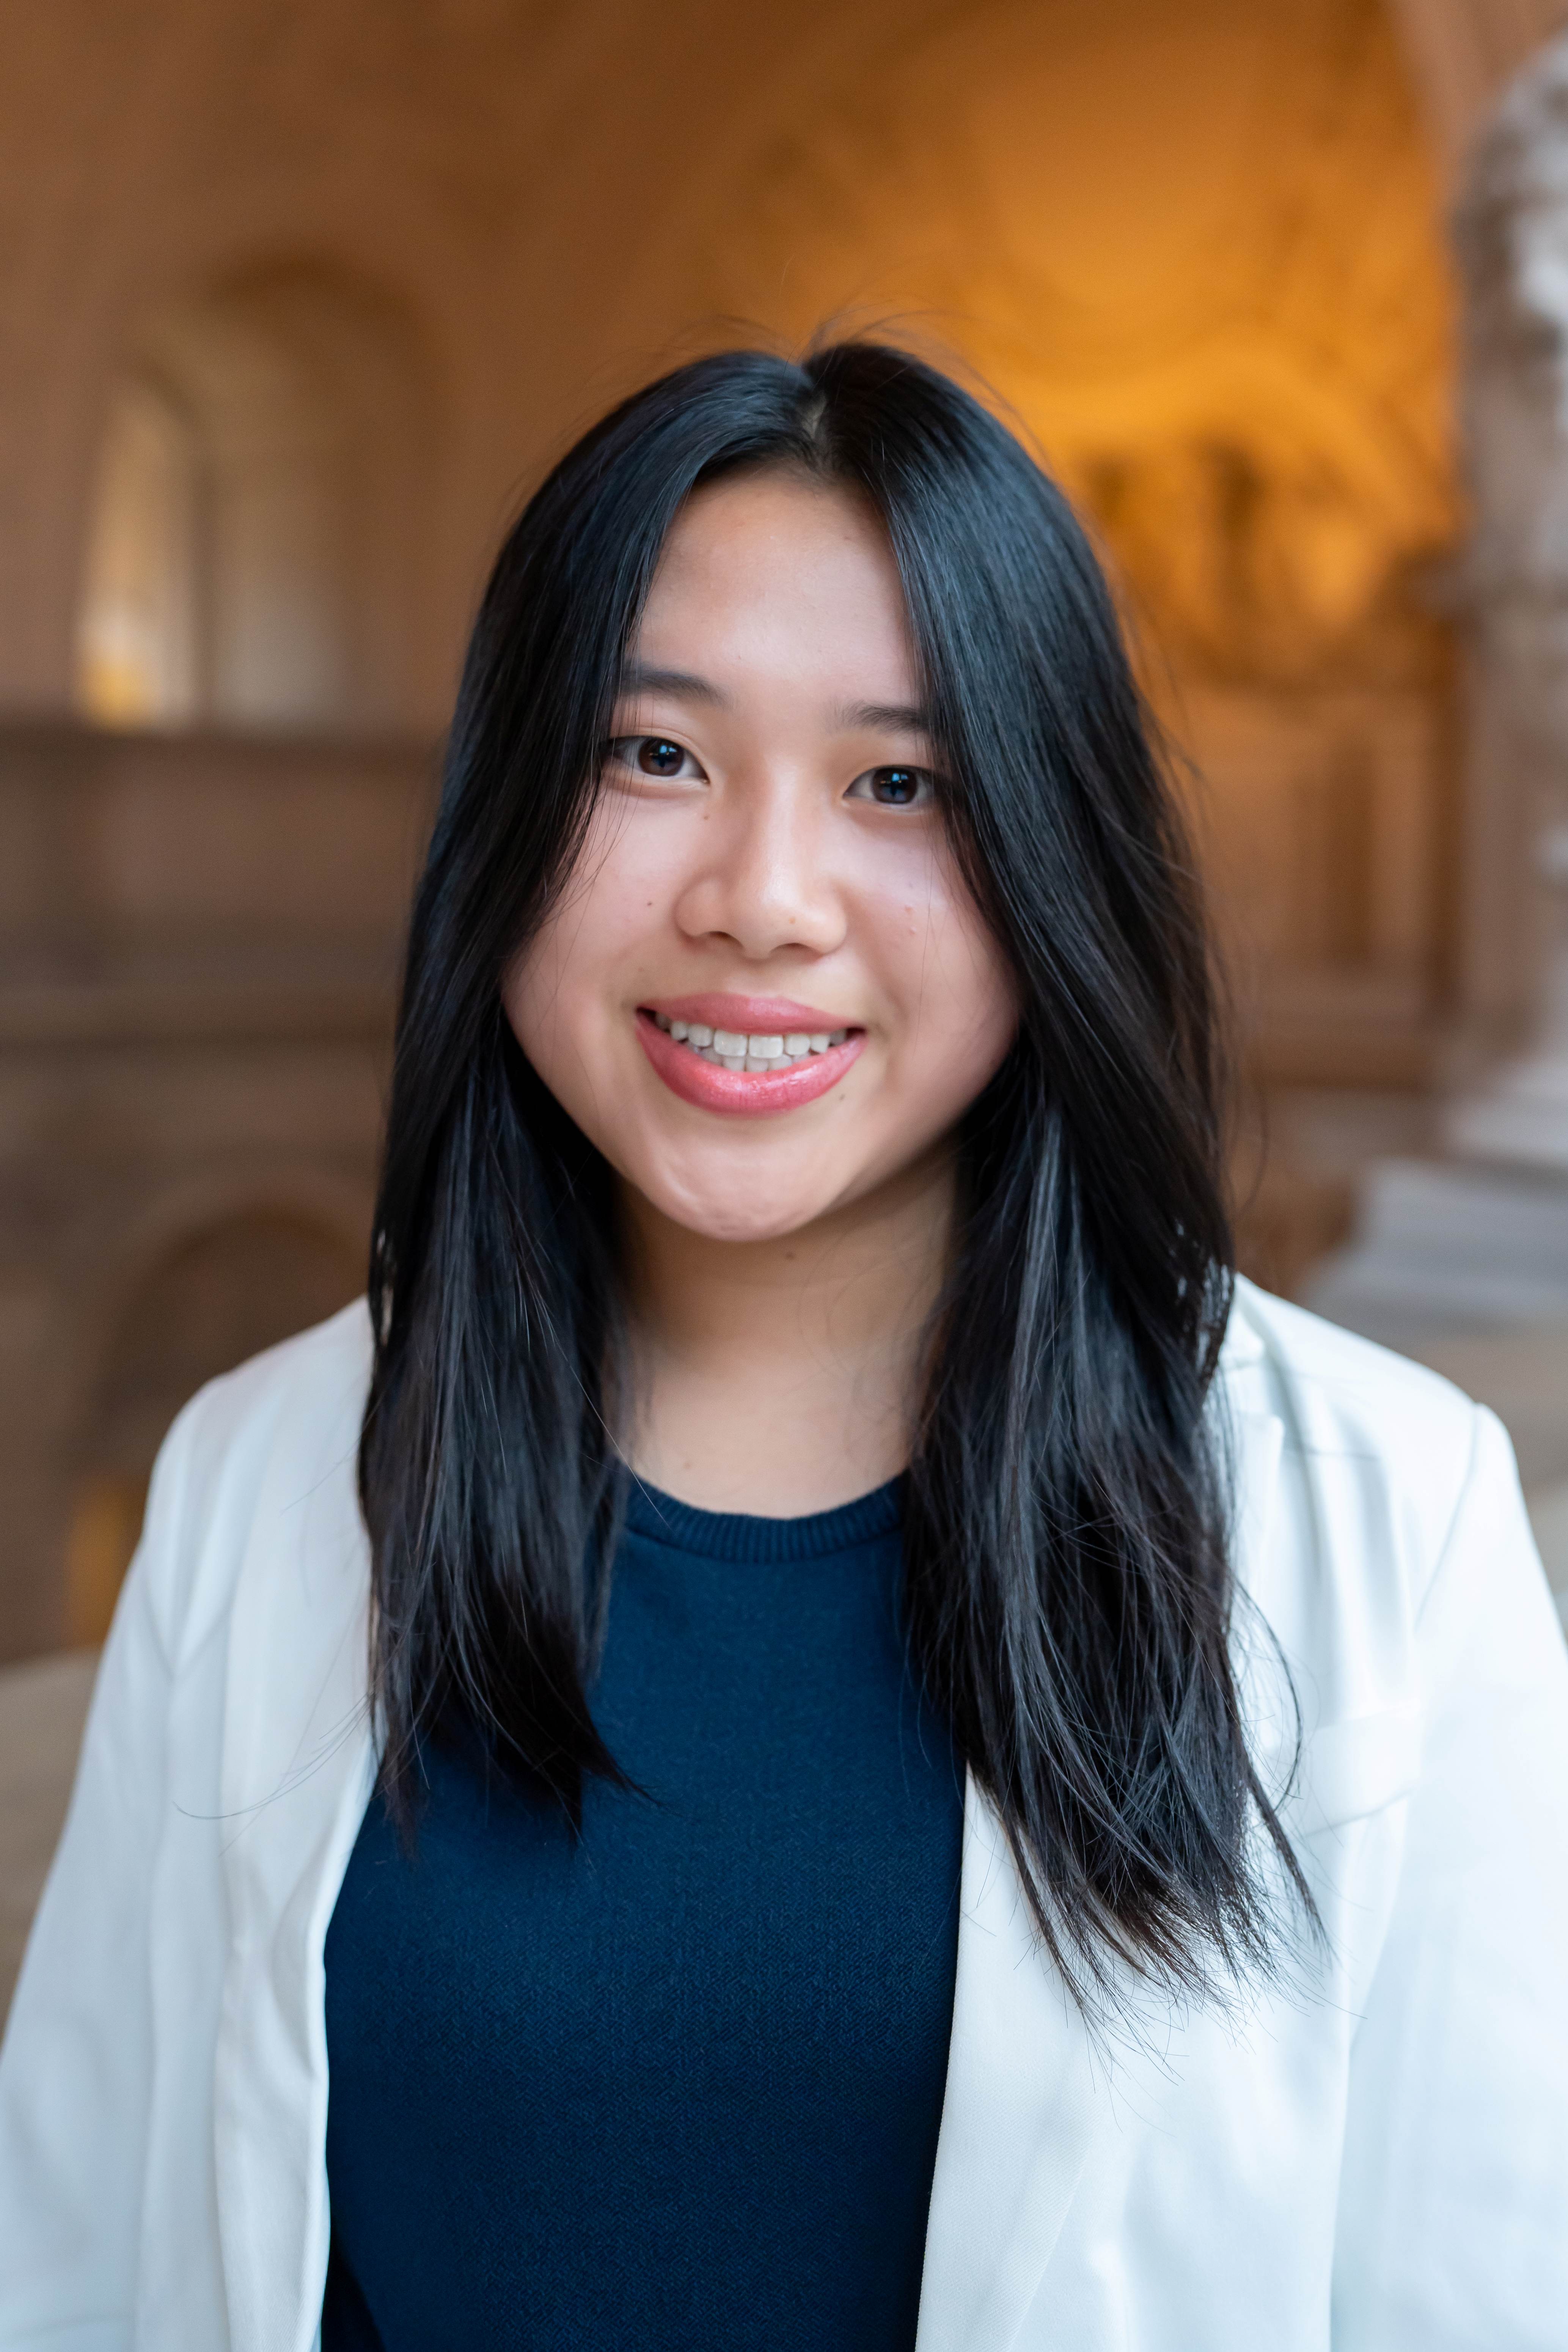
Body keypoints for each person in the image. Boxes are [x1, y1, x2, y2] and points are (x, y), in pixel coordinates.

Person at [1, 341, 1565, 2352]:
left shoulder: (1376, 1522)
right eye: (653, 756)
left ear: (1049, 870)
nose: (760, 900)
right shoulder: (260, 1474)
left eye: (899, 783)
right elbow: (81, 2276)